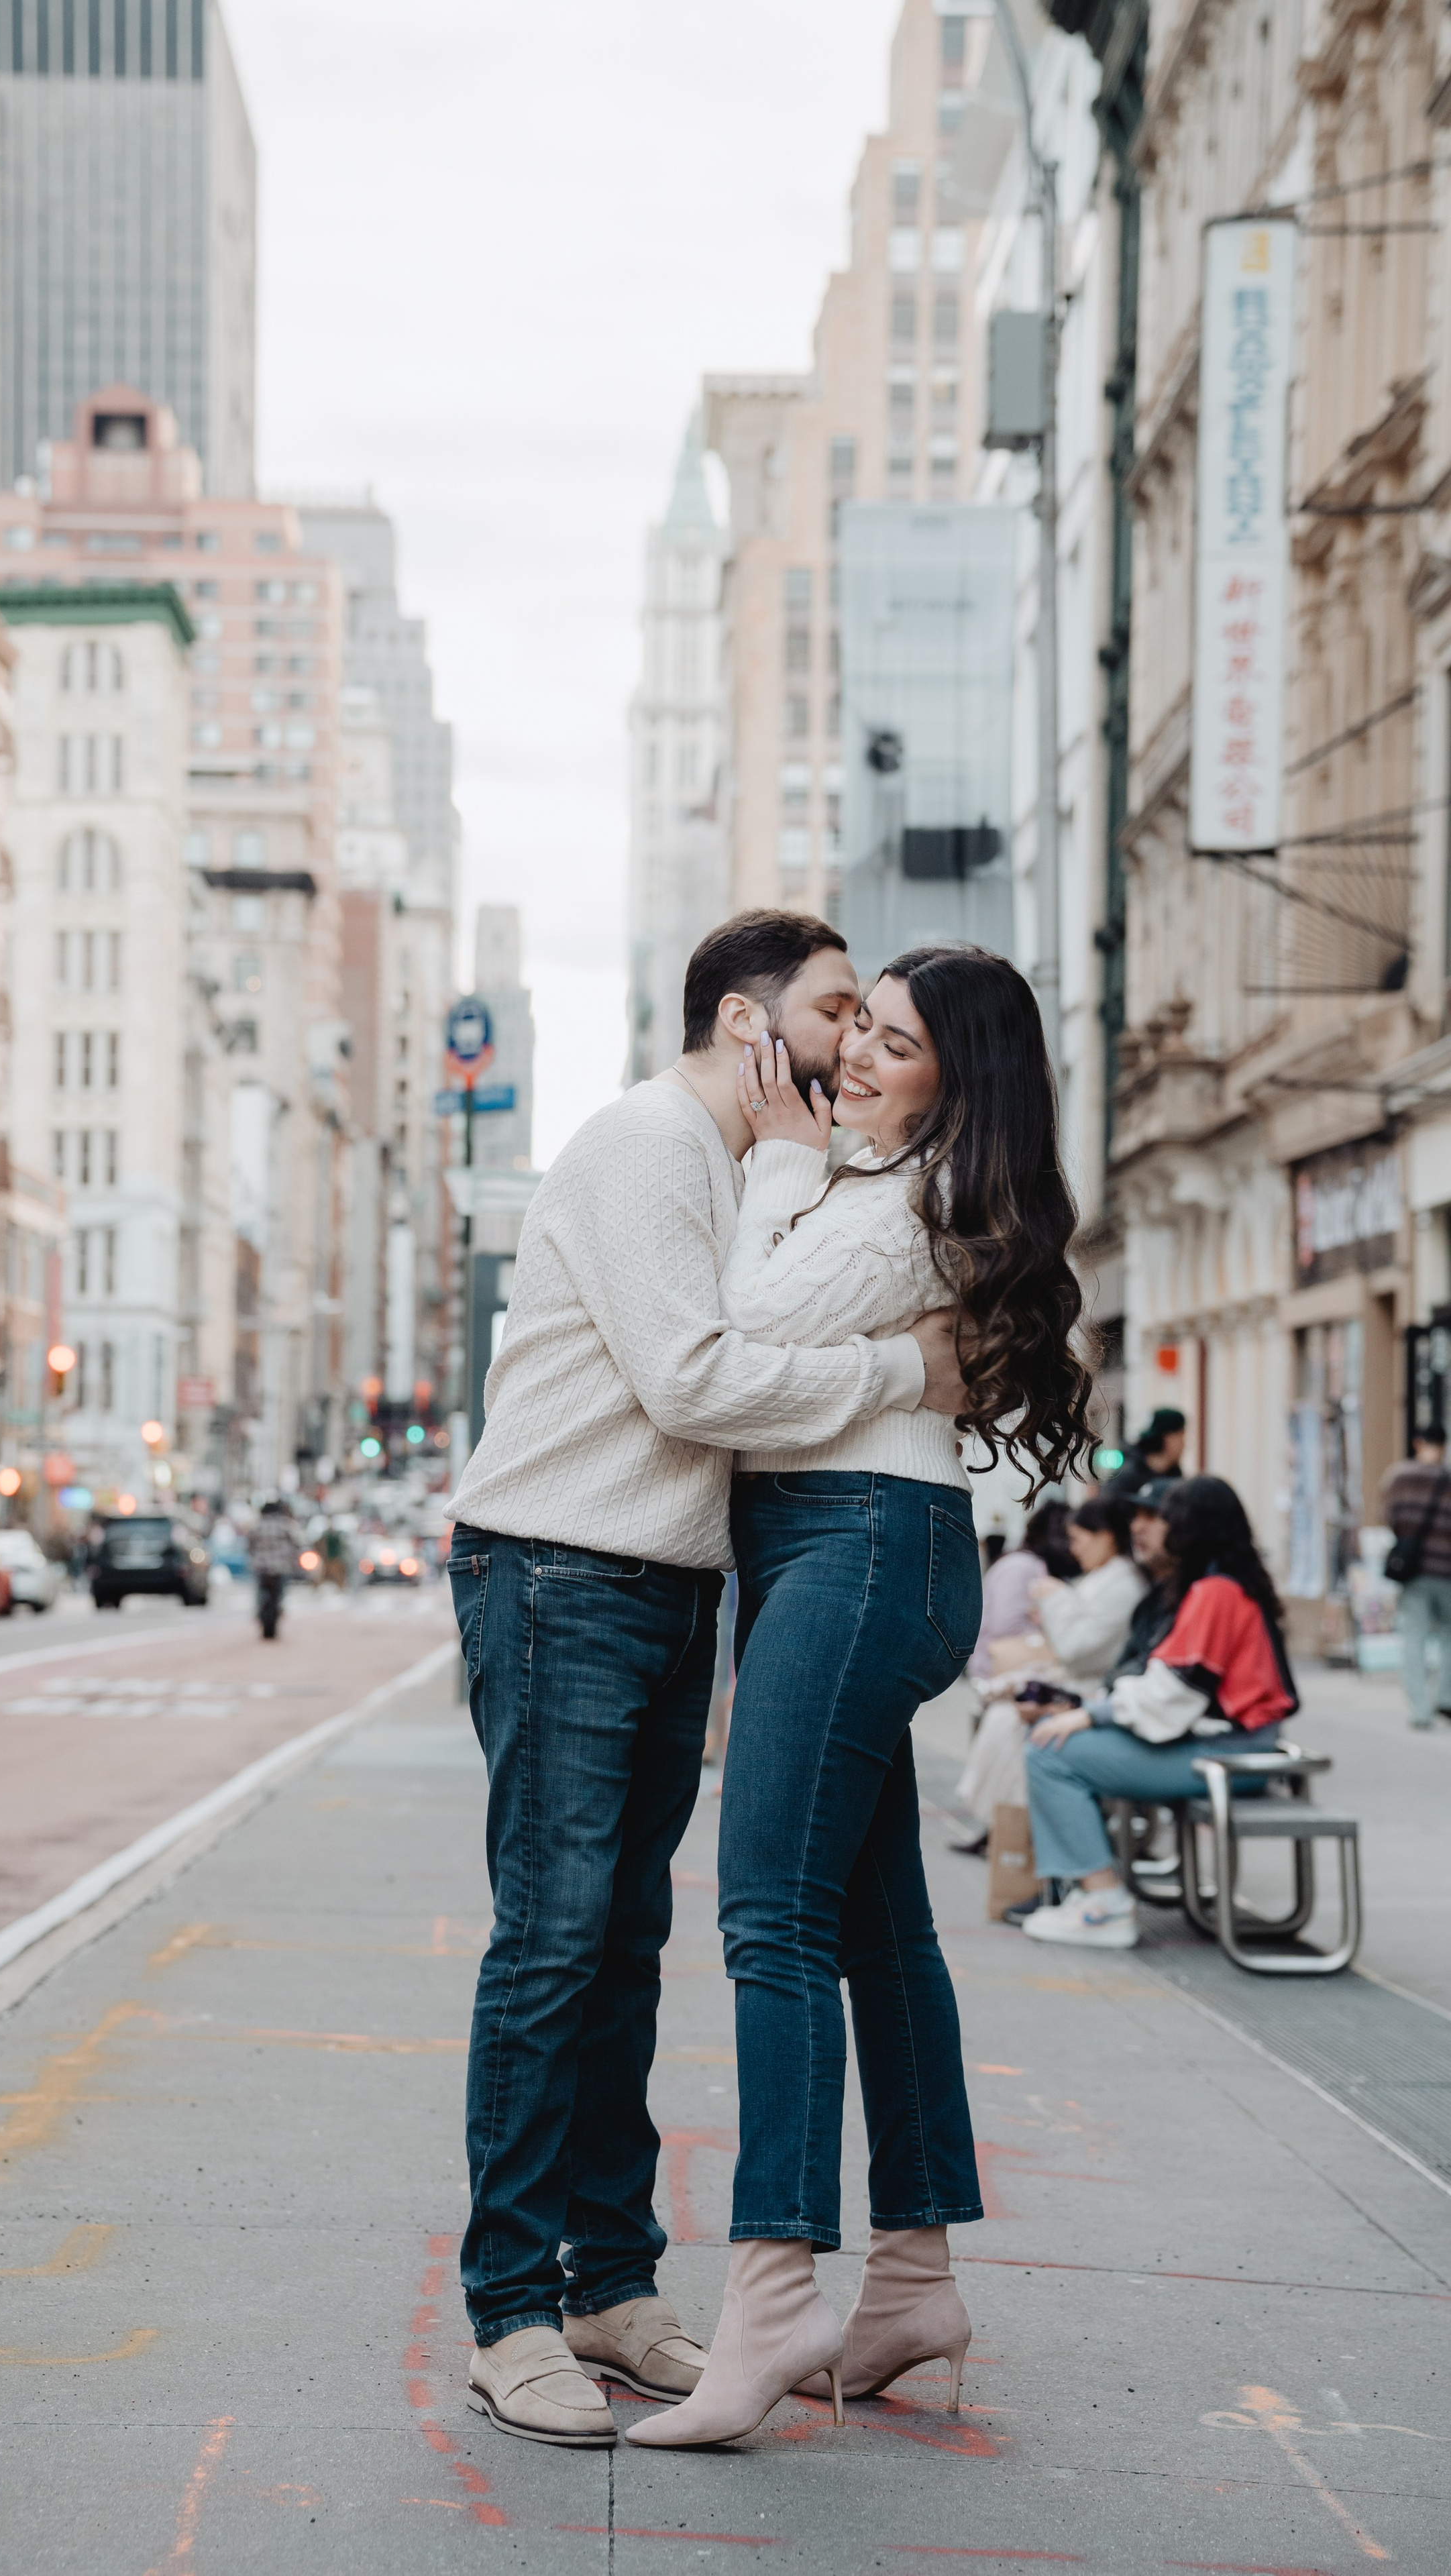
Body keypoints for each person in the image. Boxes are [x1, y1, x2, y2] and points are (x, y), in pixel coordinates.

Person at [447, 909, 968, 2451]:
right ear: (752, 1027)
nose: (848, 1047)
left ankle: (609, 2281)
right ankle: (505, 2309)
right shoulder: (643, 1149)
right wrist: (904, 1371)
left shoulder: (736, 1169)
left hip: (663, 1579)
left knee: (620, 1946)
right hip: (556, 1568)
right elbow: (693, 1374)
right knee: (550, 1944)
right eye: (830, 1014)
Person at [628, 941, 1093, 2450]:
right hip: (855, 1553)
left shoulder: (901, 1201)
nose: (853, 1062)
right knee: (879, 1931)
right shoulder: (893, 1189)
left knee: (765, 1912)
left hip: (853, 1548)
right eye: (857, 1034)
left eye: (890, 1044)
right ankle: (910, 2276)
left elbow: (738, 1334)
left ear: (962, 1078)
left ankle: (770, 2301)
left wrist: (772, 1157)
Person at [1017, 1474, 1297, 1950]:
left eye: (1166, 1517)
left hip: (1226, 1754)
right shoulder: (1225, 1585)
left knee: (1049, 1750)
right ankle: (1093, 1896)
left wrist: (1091, 1715)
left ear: (1191, 1525)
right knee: (1053, 1738)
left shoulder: (1215, 1592)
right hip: (1233, 1747)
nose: (1154, 1527)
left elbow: (1171, 1695)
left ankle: (1104, 1904)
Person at [952, 1498, 1148, 1847]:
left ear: (1104, 1537)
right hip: (1084, 1686)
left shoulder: (1121, 1583)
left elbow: (1076, 1649)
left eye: (1079, 1539)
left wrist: (1056, 1602)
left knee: (1025, 1732)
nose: (1074, 1549)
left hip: (1092, 1690)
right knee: (1006, 1719)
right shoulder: (1105, 1578)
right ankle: (1012, 1836)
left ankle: (1023, 1842)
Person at [1381, 1425, 1451, 1729]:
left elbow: (1388, 1517)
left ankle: (1420, 1710)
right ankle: (1446, 1699)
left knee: (1414, 1638)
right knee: (1449, 1637)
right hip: (1447, 1569)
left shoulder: (1398, 1476)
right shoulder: (1448, 1480)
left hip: (1413, 1570)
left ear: (1417, 1443)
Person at [967, 1501, 1077, 1680]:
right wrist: (1045, 1623)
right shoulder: (1020, 1566)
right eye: (1071, 1538)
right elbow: (1004, 1626)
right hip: (1001, 1672)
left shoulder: (1028, 1565)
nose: (1073, 1548)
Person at [1102, 1408, 1187, 1503]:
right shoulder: (1127, 1477)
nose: (1184, 1445)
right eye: (1182, 1436)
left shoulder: (1176, 1478)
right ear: (1168, 1438)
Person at [247, 1497, 299, 1639]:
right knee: (280, 1593)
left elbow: (249, 1545)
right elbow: (297, 1543)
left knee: (260, 1593)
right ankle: (280, 1607)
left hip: (261, 1567)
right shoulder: (285, 1525)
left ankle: (259, 1610)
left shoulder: (257, 1526)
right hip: (281, 1568)